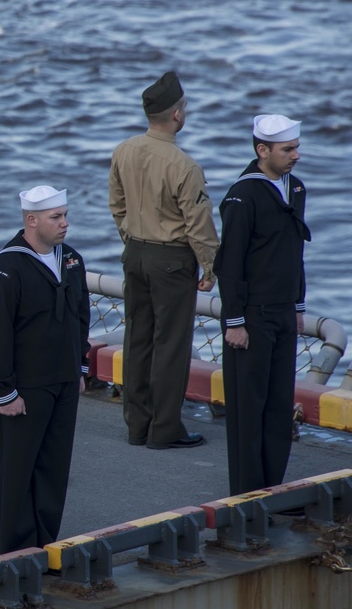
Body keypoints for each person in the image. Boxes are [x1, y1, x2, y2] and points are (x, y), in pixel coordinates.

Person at [0, 186, 90, 554]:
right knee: (17, 474)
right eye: (56, 217)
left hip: (64, 382)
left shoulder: (70, 259)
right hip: (25, 389)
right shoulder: (6, 269)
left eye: (64, 215)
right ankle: (13, 557)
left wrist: (80, 367)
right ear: (31, 220)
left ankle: (45, 547)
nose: (65, 224)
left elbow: (81, 317)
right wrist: (4, 393)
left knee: (54, 471)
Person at [108, 71, 218, 450]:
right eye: (183, 106)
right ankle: (165, 429)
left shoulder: (124, 150)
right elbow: (198, 224)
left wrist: (132, 238)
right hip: (171, 259)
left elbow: (117, 204)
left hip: (135, 253)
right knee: (170, 345)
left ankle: (137, 425)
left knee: (137, 339)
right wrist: (209, 265)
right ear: (176, 114)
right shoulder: (185, 166)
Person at [215, 114, 309, 495]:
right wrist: (234, 321)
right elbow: (230, 263)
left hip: (284, 311)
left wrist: (299, 307)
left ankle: (272, 490)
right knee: (247, 410)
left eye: (296, 147)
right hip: (252, 316)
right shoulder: (243, 195)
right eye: (288, 149)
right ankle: (245, 497)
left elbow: (295, 252)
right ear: (262, 150)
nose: (296, 156)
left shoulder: (296, 188)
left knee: (277, 406)